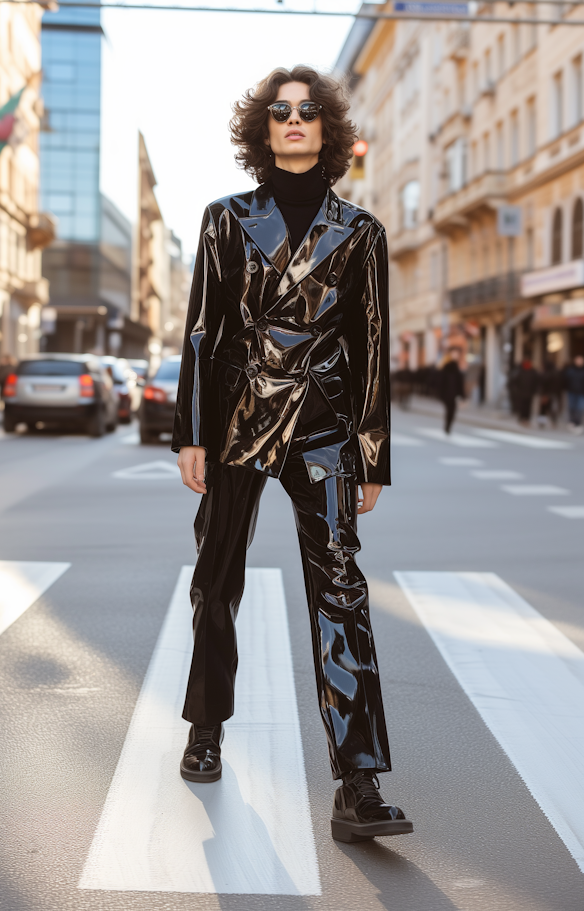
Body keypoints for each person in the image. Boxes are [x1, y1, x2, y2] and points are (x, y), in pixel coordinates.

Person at [172, 65, 412, 843]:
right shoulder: (224, 219)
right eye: (281, 111)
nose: (295, 120)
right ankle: (206, 725)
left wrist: (370, 453)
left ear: (328, 128)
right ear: (263, 128)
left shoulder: (363, 231)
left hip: (325, 427)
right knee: (216, 578)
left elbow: (372, 345)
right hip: (239, 416)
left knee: (341, 591)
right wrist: (191, 432)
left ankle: (360, 779)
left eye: (309, 110)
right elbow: (204, 333)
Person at [438, 348, 465, 434]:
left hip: (453, 394)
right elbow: (440, 381)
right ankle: (447, 426)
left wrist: (462, 394)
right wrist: (440, 394)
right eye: (454, 354)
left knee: (452, 411)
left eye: (457, 354)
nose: (456, 355)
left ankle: (448, 426)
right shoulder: (446, 366)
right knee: (449, 410)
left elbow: (459, 383)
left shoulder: (457, 367)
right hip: (446, 393)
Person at [511, 358, 539, 425]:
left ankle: (527, 419)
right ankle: (521, 418)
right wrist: (516, 390)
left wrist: (535, 391)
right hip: (521, 393)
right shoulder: (520, 372)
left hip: (529, 393)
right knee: (522, 406)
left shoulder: (533, 372)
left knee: (528, 407)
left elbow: (536, 382)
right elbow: (514, 382)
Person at [563, 354, 584, 433]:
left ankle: (578, 423)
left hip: (581, 393)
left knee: (580, 408)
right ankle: (572, 422)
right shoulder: (570, 370)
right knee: (571, 407)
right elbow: (565, 380)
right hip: (571, 391)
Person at [537, 362, 561, 428]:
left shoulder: (546, 374)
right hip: (553, 394)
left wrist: (544, 394)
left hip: (547, 394)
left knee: (544, 408)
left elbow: (543, 384)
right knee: (551, 408)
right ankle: (553, 421)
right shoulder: (556, 373)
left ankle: (542, 422)